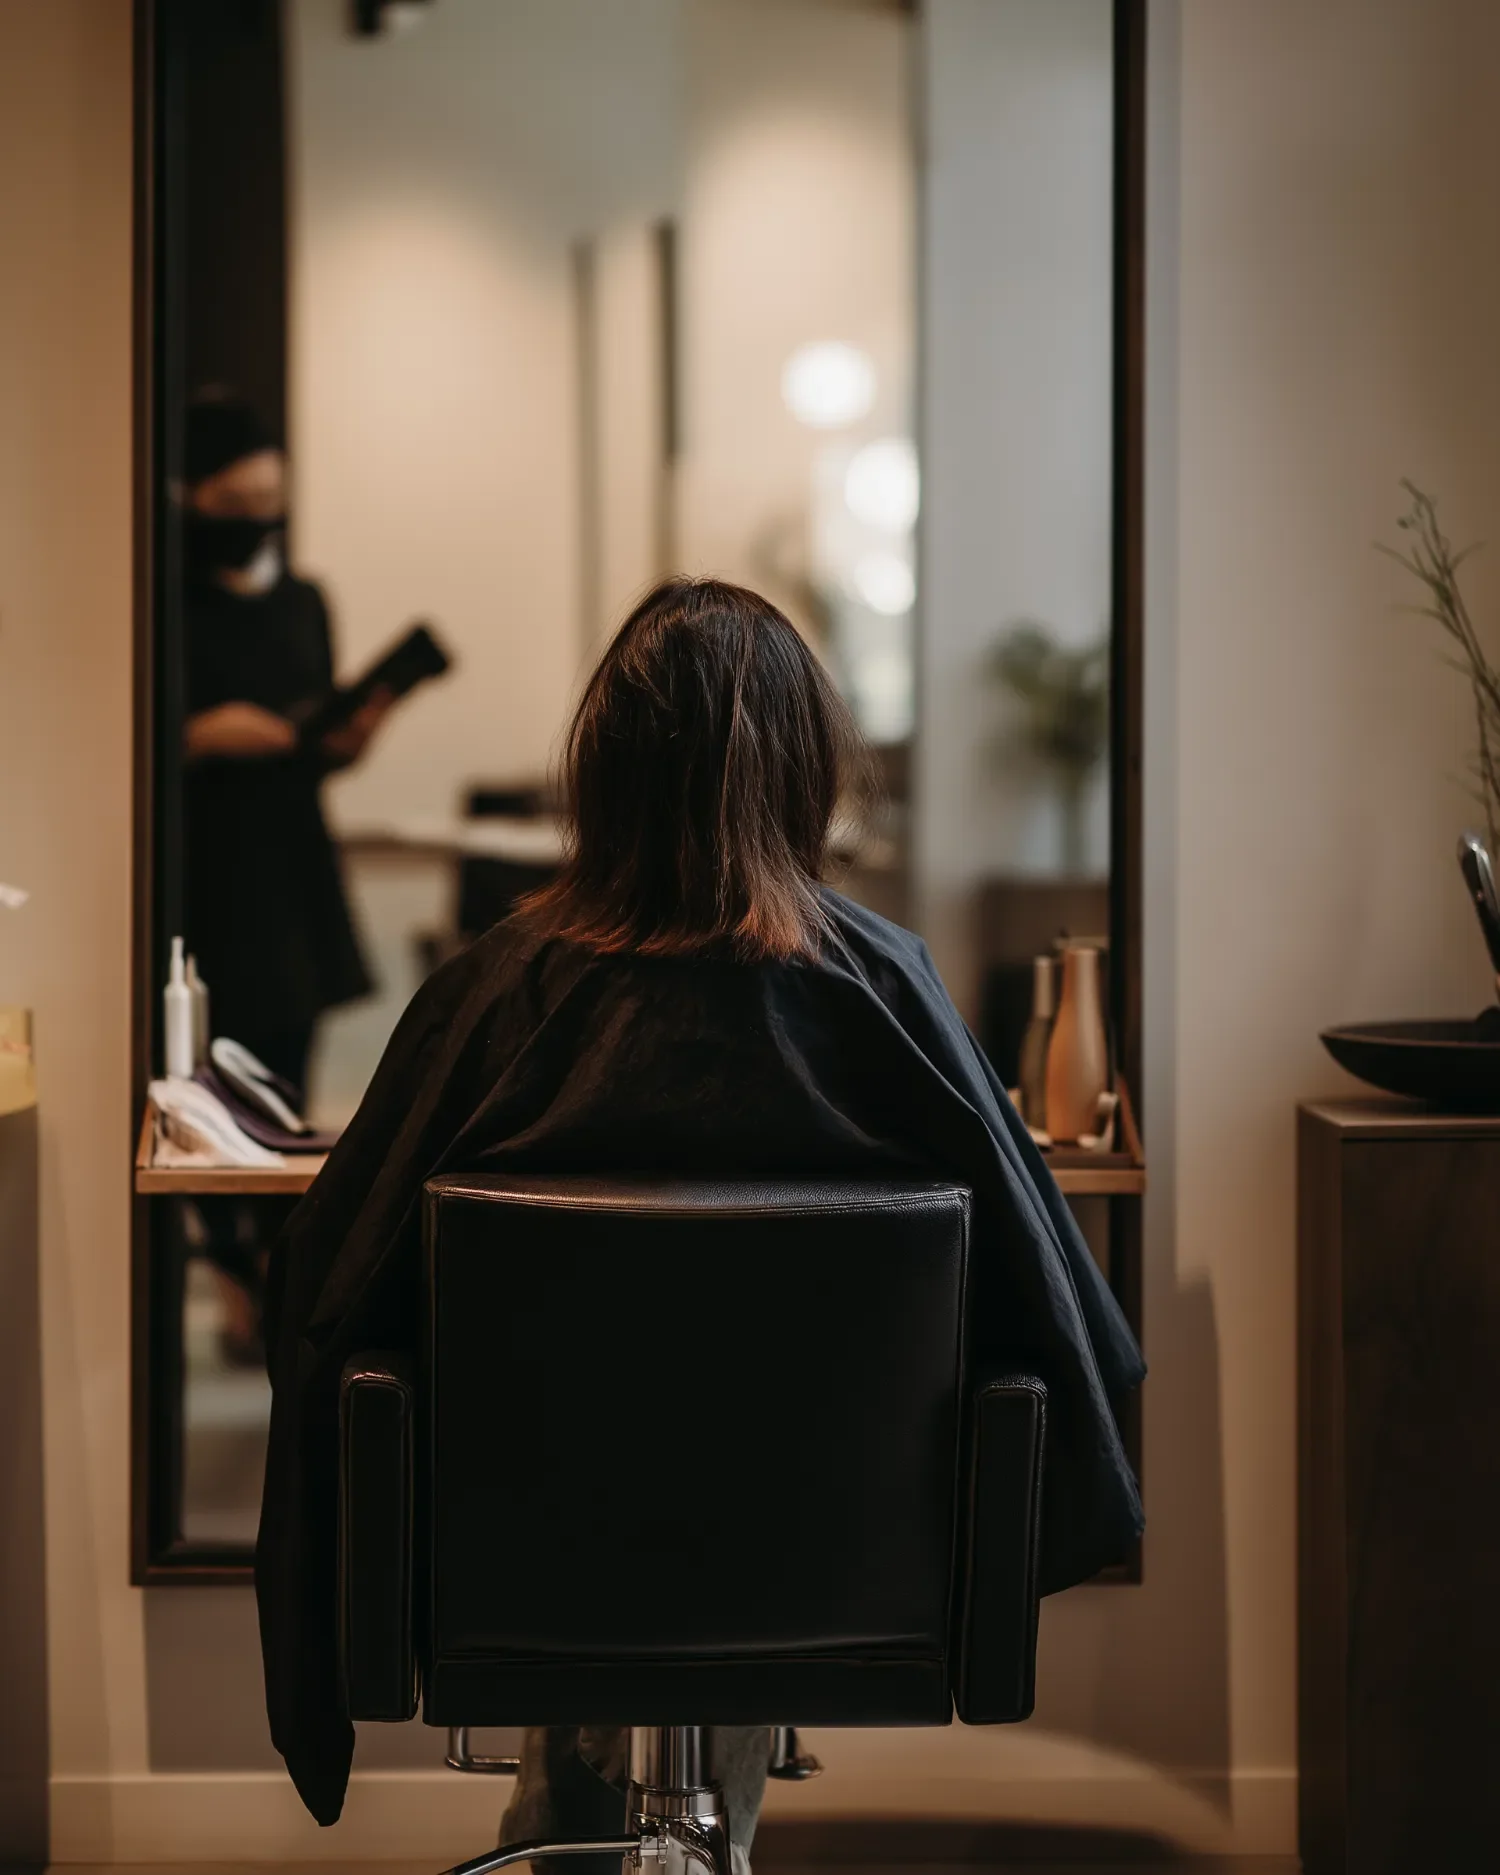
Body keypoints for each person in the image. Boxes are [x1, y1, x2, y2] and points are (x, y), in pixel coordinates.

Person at [255, 577, 1145, 1846]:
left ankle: (577, 1802)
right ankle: (677, 1820)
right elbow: (1065, 1323)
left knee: (593, 1502)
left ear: (604, 772)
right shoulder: (882, 986)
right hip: (825, 1563)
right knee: (739, 1502)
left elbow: (322, 1293)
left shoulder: (495, 992)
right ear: (805, 772)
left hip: (531, 1563)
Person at [181, 392, 391, 1099]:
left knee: (286, 1096)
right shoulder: (162, 602)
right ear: (189, 496)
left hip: (293, 874)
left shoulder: (304, 600)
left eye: (270, 497)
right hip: (201, 875)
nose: (256, 516)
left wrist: (347, 742)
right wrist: (198, 738)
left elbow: (311, 744)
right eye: (234, 499)